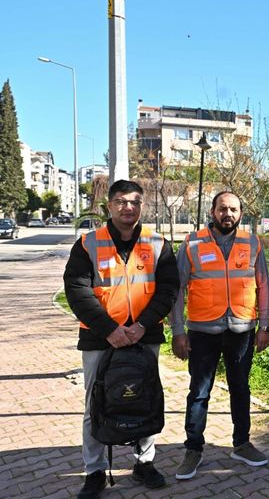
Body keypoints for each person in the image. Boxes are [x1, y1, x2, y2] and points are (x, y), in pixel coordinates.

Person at [64, 179, 179, 498]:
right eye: (121, 202)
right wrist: (110, 330)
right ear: (110, 206)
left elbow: (169, 289)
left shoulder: (158, 244)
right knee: (95, 402)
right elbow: (76, 290)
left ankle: (144, 462)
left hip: (146, 334)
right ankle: (94, 470)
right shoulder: (88, 243)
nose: (129, 207)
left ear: (143, 206)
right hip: (100, 338)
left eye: (135, 202)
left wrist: (141, 325)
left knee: (145, 395)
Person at [170, 191, 269, 480]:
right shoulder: (192, 243)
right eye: (223, 208)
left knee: (241, 388)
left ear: (241, 213)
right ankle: (193, 449)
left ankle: (242, 443)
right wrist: (178, 331)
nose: (228, 214)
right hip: (203, 331)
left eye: (234, 209)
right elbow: (178, 290)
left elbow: (263, 286)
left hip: (242, 330)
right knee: (199, 392)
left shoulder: (252, 243)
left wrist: (264, 327)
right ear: (212, 211)